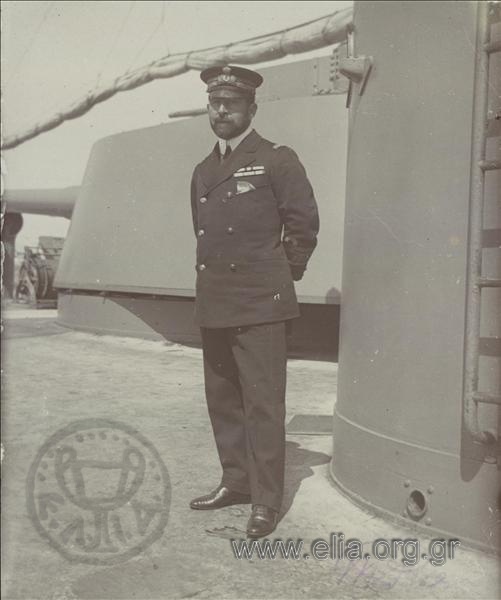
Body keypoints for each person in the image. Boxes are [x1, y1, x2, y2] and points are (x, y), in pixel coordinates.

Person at [189, 65, 319, 538]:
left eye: (232, 103)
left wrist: (280, 276)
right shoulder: (204, 170)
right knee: (223, 400)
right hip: (217, 301)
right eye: (215, 103)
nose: (222, 110)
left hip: (261, 303)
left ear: (251, 109)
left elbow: (303, 224)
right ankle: (236, 481)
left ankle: (266, 501)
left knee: (263, 403)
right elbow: (203, 234)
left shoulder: (276, 159)